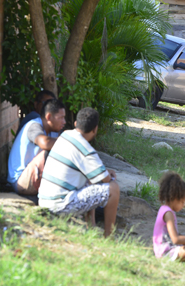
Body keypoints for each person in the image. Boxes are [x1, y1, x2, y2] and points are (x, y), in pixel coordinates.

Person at [38, 107, 120, 238]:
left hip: (44, 201)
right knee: (113, 188)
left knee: (91, 181)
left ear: (76, 124)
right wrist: (108, 174)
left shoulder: (65, 135)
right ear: (95, 129)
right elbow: (105, 181)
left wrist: (103, 172)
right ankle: (109, 237)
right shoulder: (87, 150)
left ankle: (91, 228)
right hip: (61, 205)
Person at [7, 99, 66, 196]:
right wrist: (69, 142)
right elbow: (45, 143)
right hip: (20, 180)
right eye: (61, 118)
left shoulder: (53, 130)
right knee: (50, 152)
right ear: (49, 117)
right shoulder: (34, 126)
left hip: (33, 175)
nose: (64, 122)